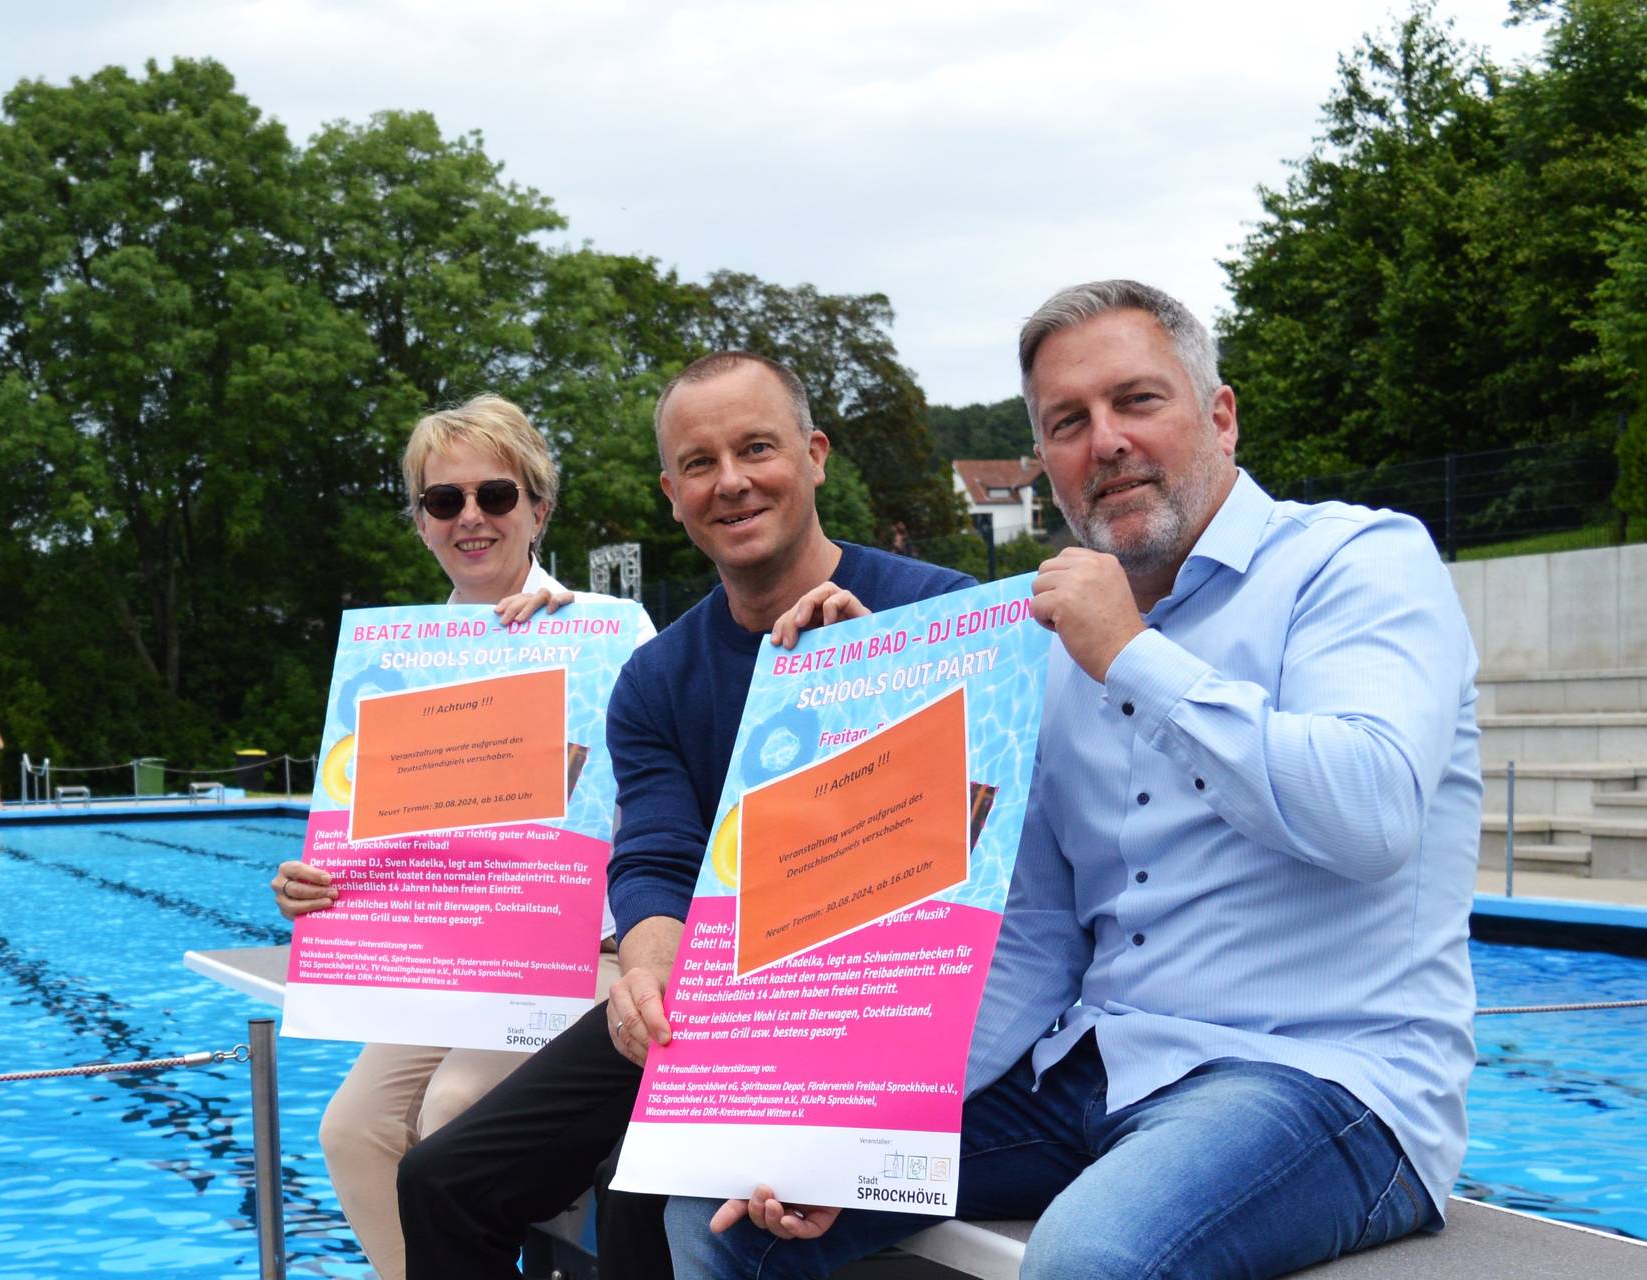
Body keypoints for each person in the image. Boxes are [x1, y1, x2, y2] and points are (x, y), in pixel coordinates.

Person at [674, 281, 1479, 1278]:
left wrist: (1131, 655)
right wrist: (862, 1128)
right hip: (1092, 1072)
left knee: (1087, 1257)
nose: (1104, 441)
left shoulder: (1357, 560)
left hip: (1320, 1076)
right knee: (732, 1199)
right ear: (1045, 459)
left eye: (1136, 400)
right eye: (1066, 421)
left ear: (1219, 415)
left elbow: (1372, 809)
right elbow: (1031, 935)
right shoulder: (1047, 643)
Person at [394, 356, 970, 1279]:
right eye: (699, 464)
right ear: (671, 494)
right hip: (702, 998)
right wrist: (647, 977)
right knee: (440, 1178)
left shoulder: (939, 617)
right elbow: (659, 856)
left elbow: (965, 854)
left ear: (815, 456)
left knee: (642, 1184)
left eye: (756, 449)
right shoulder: (658, 678)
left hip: (873, 998)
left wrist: (868, 675)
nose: (730, 482)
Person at [266, 394, 657, 1280]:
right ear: (421, 523)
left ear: (538, 507)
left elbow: (666, 805)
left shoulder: (613, 633)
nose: (471, 518)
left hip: (577, 951)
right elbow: (380, 841)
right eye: (445, 502)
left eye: (496, 495)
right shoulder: (400, 665)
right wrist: (314, 884)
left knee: (454, 1107)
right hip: (453, 961)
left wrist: (570, 642)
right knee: (351, 1127)